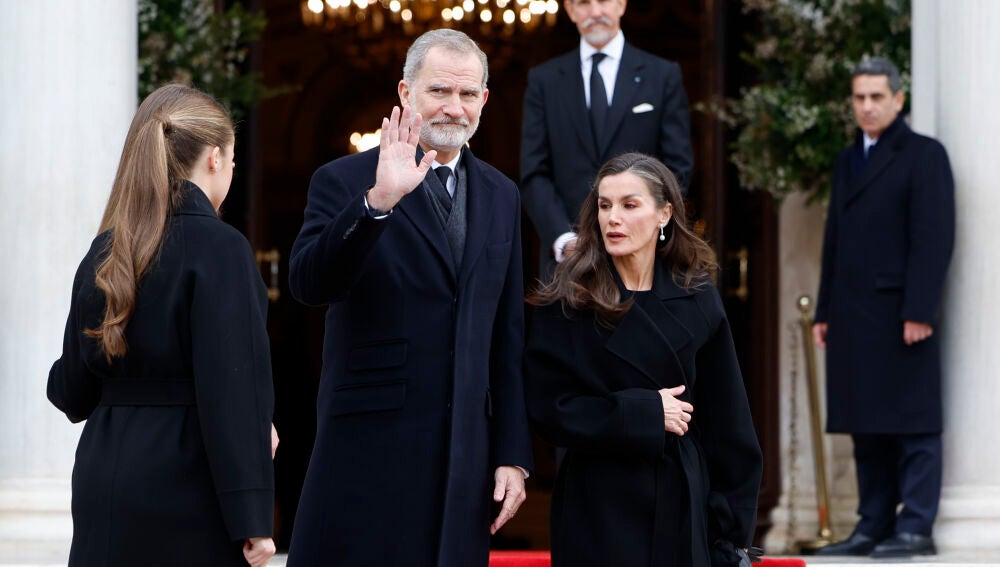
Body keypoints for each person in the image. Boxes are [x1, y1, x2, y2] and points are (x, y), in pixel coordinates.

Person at [286, 29, 533, 567]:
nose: (455, 107)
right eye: (439, 91)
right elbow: (308, 284)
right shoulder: (345, 179)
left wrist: (513, 455)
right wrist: (377, 203)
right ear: (405, 94)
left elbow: (506, 337)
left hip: (465, 458)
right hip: (369, 447)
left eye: (468, 95)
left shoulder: (501, 194)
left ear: (484, 101)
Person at [47, 84, 277, 567]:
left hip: (103, 480)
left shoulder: (106, 250)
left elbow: (70, 392)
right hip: (188, 485)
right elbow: (233, 391)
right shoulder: (222, 249)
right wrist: (254, 518)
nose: (233, 169)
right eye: (233, 158)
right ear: (214, 157)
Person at [524, 153, 761, 567]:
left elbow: (730, 425)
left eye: (629, 205)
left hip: (683, 505)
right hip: (597, 507)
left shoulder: (697, 296)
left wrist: (732, 536)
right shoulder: (570, 299)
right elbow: (548, 410)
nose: (613, 217)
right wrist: (643, 412)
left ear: (664, 213)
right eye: (604, 205)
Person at [811, 57, 955, 559]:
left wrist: (920, 310)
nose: (867, 106)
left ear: (898, 99)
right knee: (865, 424)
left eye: (877, 96)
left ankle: (915, 526)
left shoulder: (924, 155)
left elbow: (933, 239)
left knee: (913, 423)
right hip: (851, 315)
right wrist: (823, 310)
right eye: (859, 98)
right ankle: (872, 524)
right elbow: (834, 241)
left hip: (901, 315)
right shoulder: (847, 160)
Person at [520, 0, 693, 273]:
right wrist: (565, 239)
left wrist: (645, 228)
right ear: (570, 10)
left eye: (603, 1)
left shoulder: (662, 76)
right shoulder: (544, 81)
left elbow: (677, 168)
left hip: (643, 258)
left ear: (622, 4)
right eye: (584, 3)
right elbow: (534, 172)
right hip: (568, 262)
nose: (595, 12)